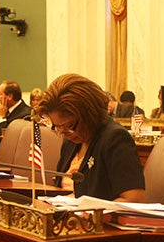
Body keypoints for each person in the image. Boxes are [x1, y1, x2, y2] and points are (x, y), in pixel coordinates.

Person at [37, 73, 145, 202]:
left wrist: (90, 214)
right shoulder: (70, 142)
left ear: (88, 113)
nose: (64, 133)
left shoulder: (115, 139)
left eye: (69, 125)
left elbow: (134, 200)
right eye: (57, 127)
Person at [0, 80, 32, 159]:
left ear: (10, 96)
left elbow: (8, 139)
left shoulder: (26, 115)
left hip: (7, 159)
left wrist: (1, 117)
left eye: (0, 94)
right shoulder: (1, 110)